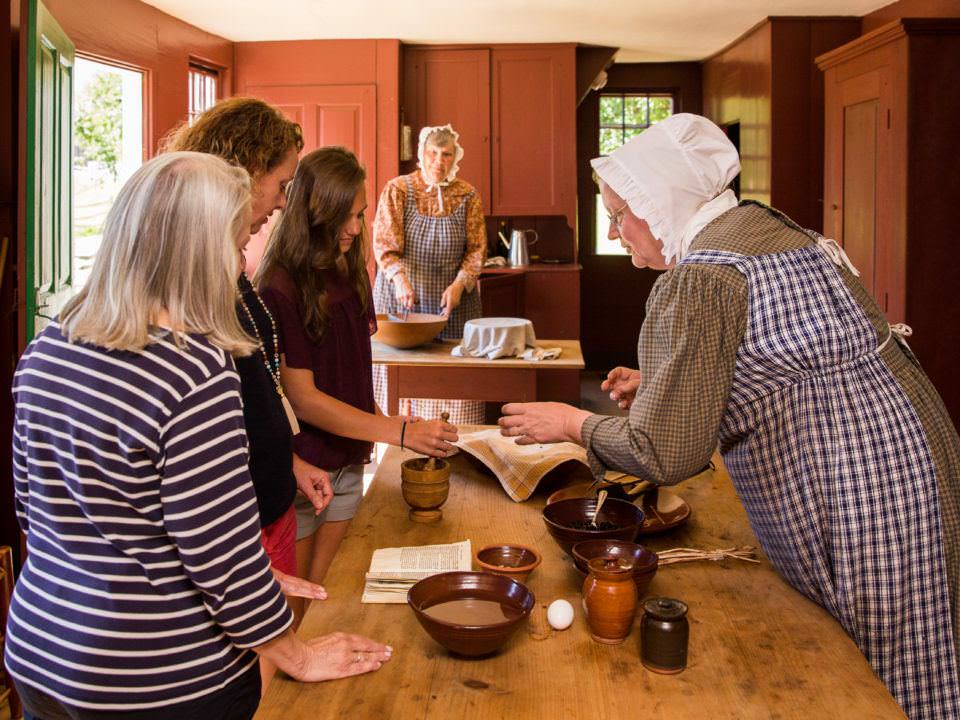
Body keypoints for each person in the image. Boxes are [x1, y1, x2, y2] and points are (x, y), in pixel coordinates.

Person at [498, 113, 960, 719]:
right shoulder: (762, 228)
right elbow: (781, 357)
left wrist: (568, 422)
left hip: (863, 490)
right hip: (915, 452)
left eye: (620, 214)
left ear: (661, 203)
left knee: (885, 678)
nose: (615, 230)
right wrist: (671, 388)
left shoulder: (702, 279)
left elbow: (668, 454)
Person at [6, 152, 391, 720]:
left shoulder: (47, 352)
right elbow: (220, 557)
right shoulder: (194, 373)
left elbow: (43, 511)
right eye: (236, 246)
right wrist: (298, 654)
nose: (241, 264)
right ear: (197, 254)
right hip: (158, 679)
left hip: (43, 652)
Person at [163, 98, 333, 631]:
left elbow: (252, 381)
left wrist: (286, 458)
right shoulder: (188, 284)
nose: (283, 203)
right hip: (235, 534)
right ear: (244, 170)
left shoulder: (227, 263)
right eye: (280, 185)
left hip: (269, 497)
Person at [256, 146, 458, 591]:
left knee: (331, 594)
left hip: (347, 462)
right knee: (296, 609)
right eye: (342, 217)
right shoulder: (279, 284)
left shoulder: (348, 270)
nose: (353, 228)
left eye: (360, 214)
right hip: (304, 467)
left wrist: (386, 419)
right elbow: (303, 399)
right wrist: (396, 433)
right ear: (312, 211)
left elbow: (349, 372)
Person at [372, 124, 487, 424]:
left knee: (448, 384)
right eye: (433, 153)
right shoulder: (398, 189)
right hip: (403, 302)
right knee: (403, 382)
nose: (439, 160)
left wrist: (461, 285)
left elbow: (476, 250)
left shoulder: (467, 195)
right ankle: (400, 446)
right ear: (422, 154)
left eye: (446, 154)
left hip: (451, 304)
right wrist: (399, 278)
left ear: (455, 157)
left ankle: (453, 448)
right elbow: (384, 244)